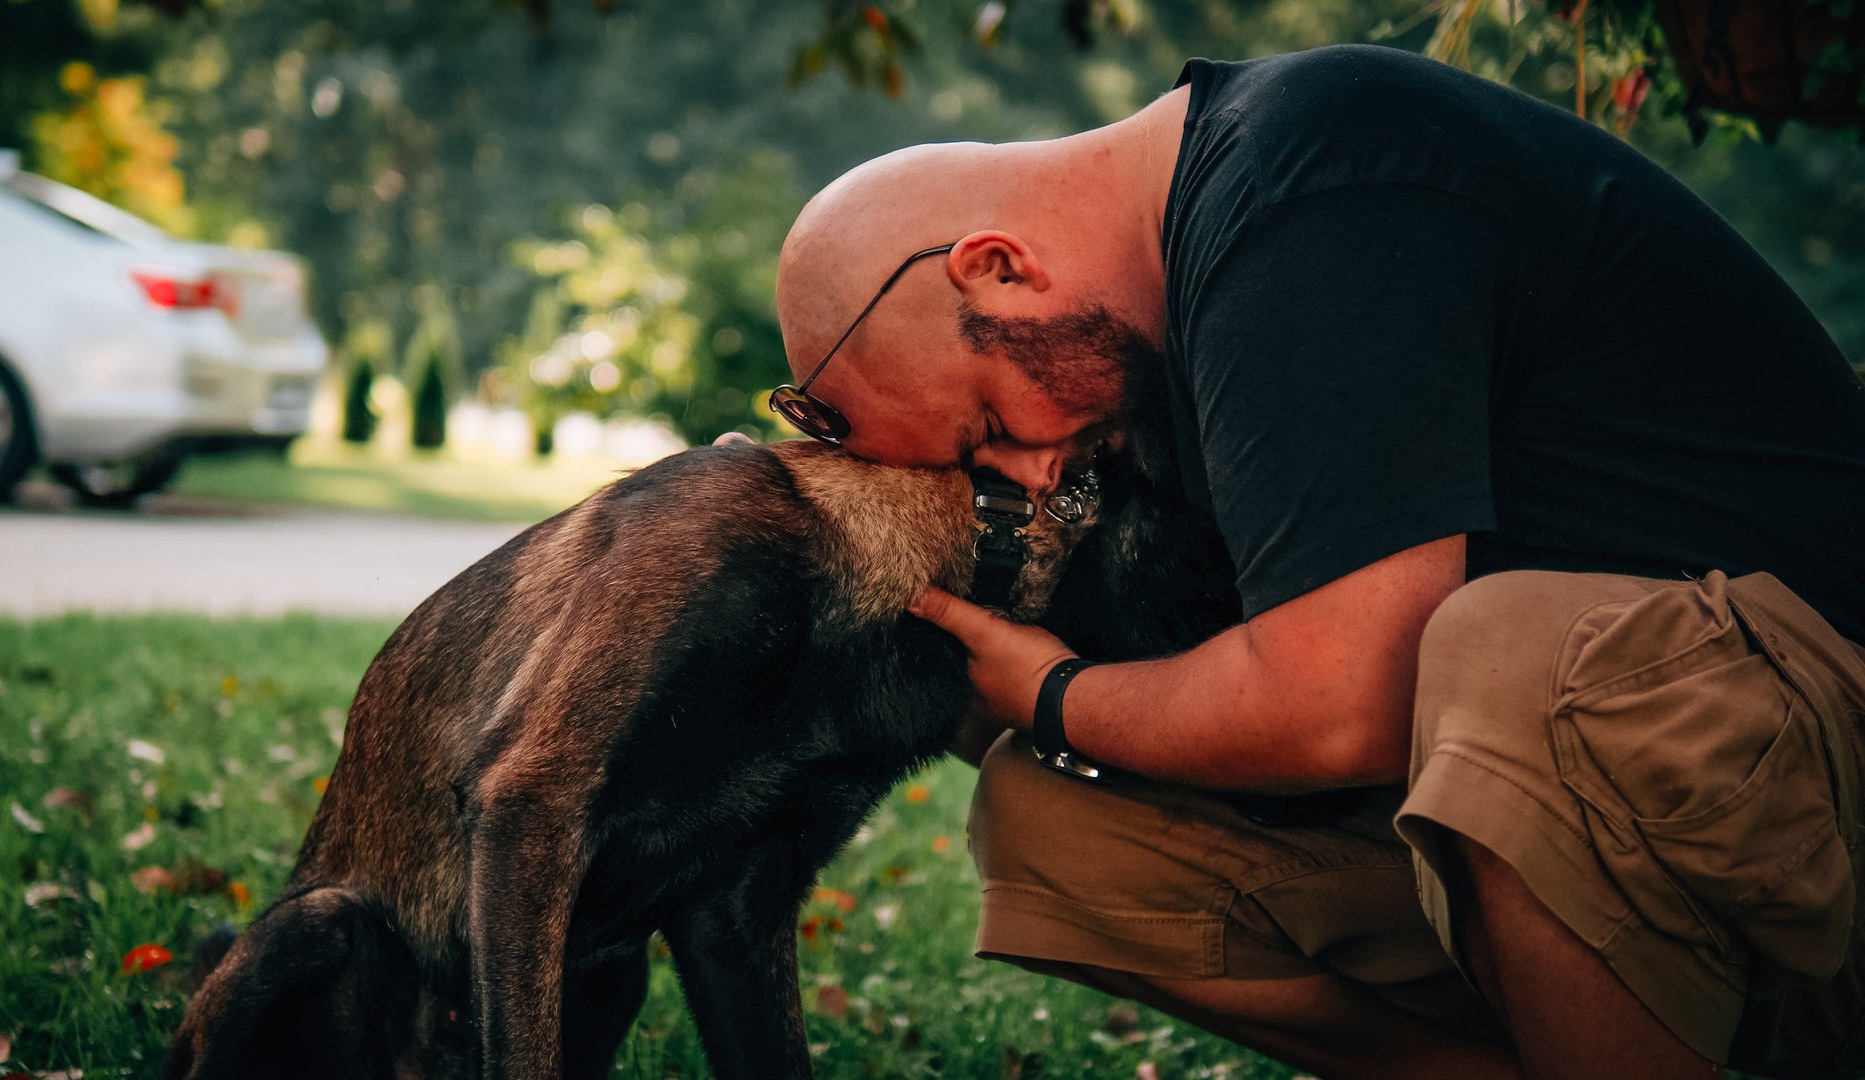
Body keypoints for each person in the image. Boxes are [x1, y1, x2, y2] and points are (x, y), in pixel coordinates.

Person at [767, 43, 1865, 1078]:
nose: (1034, 471)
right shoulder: (1173, 307)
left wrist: (1055, 695)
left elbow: (1345, 705)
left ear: (999, 268)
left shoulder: (1311, 189)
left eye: (992, 427)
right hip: (1645, 817)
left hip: (1820, 777)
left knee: (1502, 651)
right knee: (1052, 824)